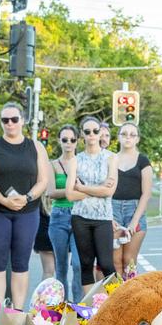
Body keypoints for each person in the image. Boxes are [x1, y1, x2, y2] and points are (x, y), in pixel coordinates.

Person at [0, 102, 50, 308]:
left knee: (21, 263)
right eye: (5, 120)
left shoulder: (35, 146)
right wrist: (3, 200)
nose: (10, 124)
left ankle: (18, 311)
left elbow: (43, 180)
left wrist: (27, 197)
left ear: (22, 121)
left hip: (27, 211)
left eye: (14, 119)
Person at [67, 116, 118, 284]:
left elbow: (109, 191)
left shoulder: (111, 158)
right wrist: (98, 188)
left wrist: (81, 188)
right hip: (80, 217)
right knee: (86, 264)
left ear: (100, 133)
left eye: (95, 131)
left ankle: (120, 304)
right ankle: (89, 309)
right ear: (82, 134)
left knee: (106, 264)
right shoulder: (75, 160)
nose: (92, 135)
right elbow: (69, 195)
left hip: (103, 218)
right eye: (87, 131)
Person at [111, 122, 153, 276]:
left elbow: (146, 193)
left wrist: (134, 221)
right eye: (124, 134)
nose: (128, 137)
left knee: (129, 260)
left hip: (135, 211)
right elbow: (106, 189)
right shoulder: (111, 159)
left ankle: (131, 297)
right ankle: (115, 298)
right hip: (113, 210)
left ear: (137, 139)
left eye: (132, 134)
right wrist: (109, 216)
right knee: (115, 261)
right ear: (119, 137)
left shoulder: (143, 161)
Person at [48, 124, 83, 302]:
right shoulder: (53, 164)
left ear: (77, 141)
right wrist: (73, 190)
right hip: (59, 215)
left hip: (79, 215)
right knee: (60, 267)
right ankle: (61, 307)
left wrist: (76, 191)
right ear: (59, 141)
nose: (68, 143)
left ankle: (78, 307)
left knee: (78, 264)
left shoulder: (82, 162)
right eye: (64, 140)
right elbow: (50, 192)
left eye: (72, 140)